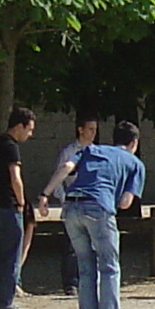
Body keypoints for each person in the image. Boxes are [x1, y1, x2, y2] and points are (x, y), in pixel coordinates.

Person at [44, 118, 144, 309]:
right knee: (109, 268)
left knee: (85, 268)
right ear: (134, 143)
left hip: (71, 207)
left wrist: (45, 194)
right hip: (98, 208)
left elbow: (67, 167)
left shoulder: (92, 149)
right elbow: (126, 202)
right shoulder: (135, 163)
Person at [0, 107, 37, 309]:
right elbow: (16, 178)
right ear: (19, 126)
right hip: (8, 206)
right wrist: (21, 202)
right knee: (11, 255)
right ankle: (5, 301)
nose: (30, 135)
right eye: (29, 129)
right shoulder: (11, 148)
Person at [46, 113, 101, 298]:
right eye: (90, 129)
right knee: (71, 245)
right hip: (73, 201)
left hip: (91, 203)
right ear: (81, 130)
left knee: (92, 244)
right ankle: (70, 283)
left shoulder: (97, 152)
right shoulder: (69, 153)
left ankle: (89, 280)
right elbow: (59, 177)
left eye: (95, 129)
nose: (93, 133)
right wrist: (64, 199)